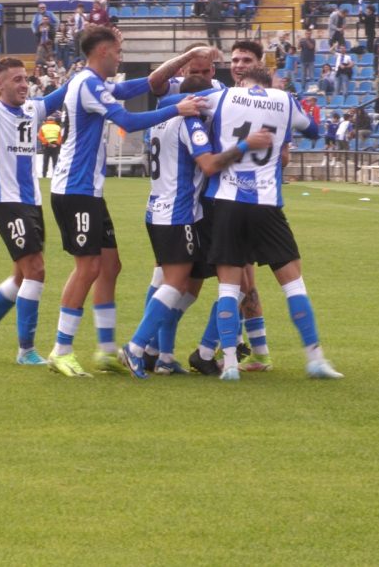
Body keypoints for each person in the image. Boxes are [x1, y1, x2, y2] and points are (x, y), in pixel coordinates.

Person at [164, 64, 342, 381]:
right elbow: (314, 129)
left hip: (228, 201)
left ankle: (230, 363)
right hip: (265, 203)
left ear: (245, 82)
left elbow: (174, 104)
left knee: (229, 288)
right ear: (268, 82)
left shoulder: (224, 96)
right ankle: (315, 359)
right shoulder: (284, 100)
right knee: (293, 284)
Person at [46, 26, 206, 377]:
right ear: (103, 52)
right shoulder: (88, 84)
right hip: (75, 190)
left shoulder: (92, 82)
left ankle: (105, 350)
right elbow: (128, 121)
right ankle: (61, 349)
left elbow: (145, 85)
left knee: (110, 266)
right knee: (87, 268)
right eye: (118, 51)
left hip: (88, 191)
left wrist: (186, 56)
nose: (121, 57)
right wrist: (177, 109)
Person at [117, 73, 274, 379]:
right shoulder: (190, 122)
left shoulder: (162, 120)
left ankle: (163, 356)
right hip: (178, 214)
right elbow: (209, 164)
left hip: (158, 210)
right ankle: (136, 347)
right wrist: (246, 145)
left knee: (186, 285)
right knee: (176, 283)